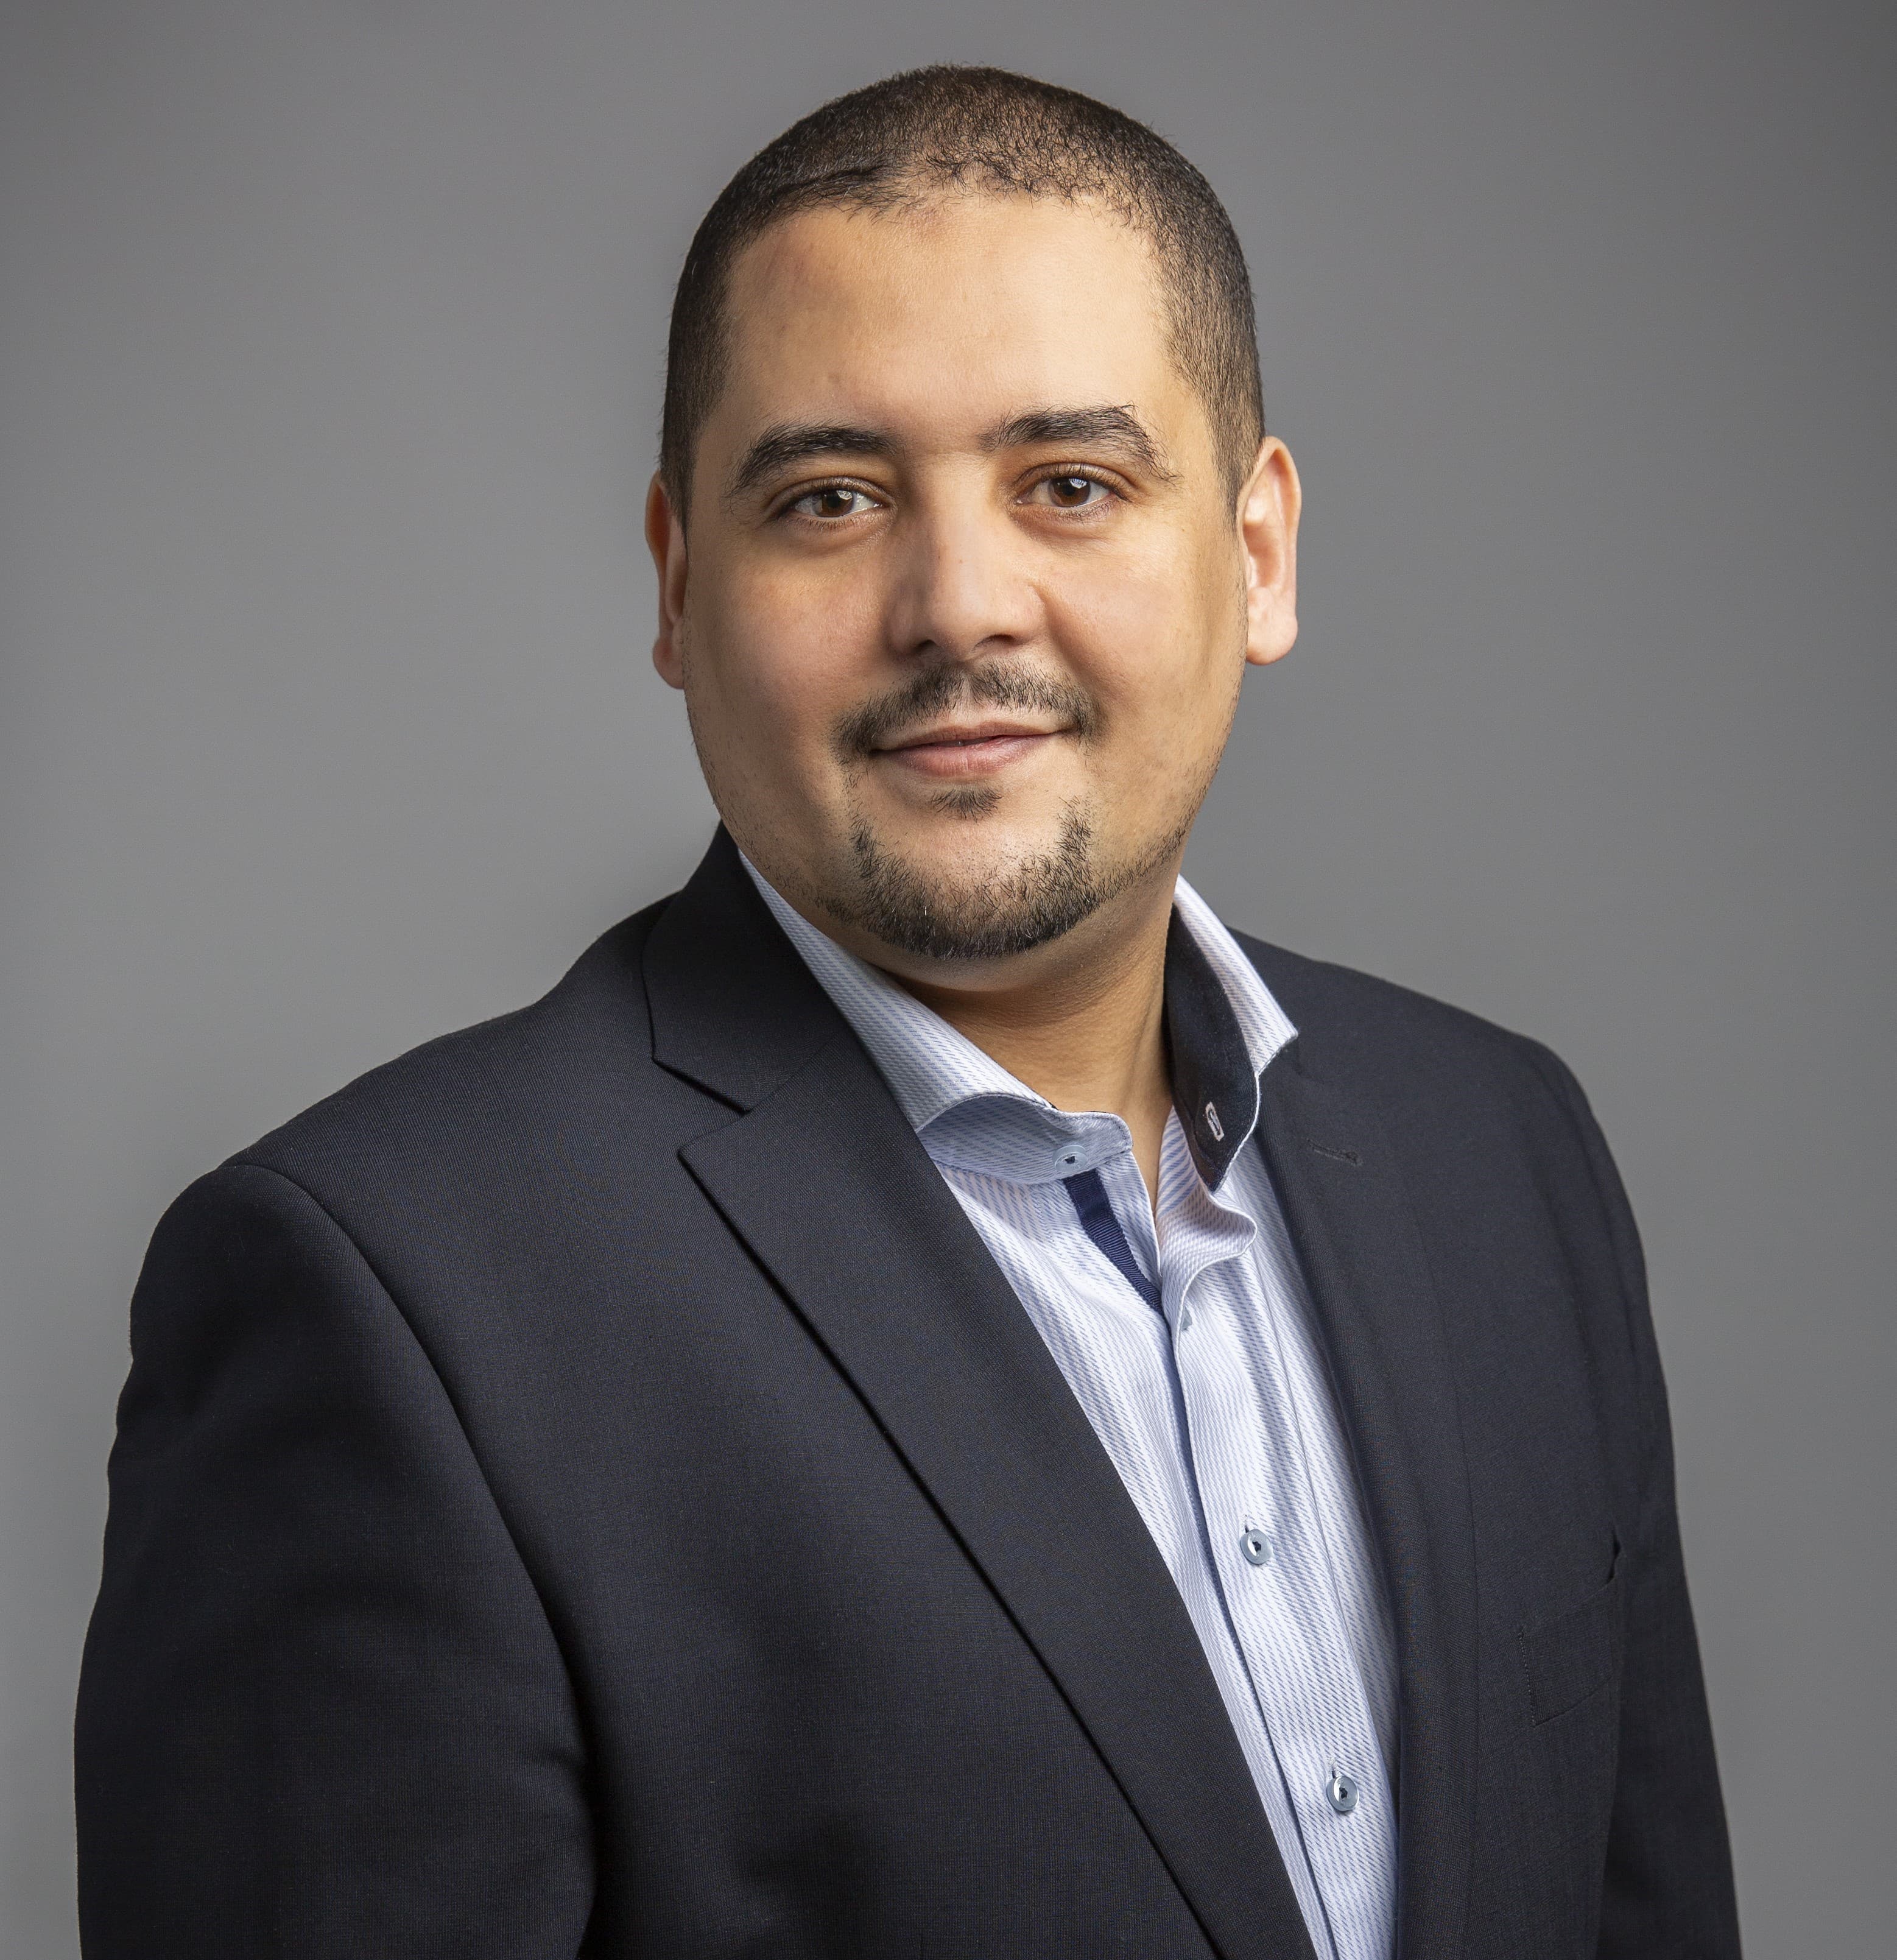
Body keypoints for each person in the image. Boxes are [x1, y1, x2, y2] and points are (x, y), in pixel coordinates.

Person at [74, 65, 1739, 1960]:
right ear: (678, 583)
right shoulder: (388, 1301)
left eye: (1070, 485)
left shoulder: (1501, 1153)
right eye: (832, 499)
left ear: (1258, 550)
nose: (959, 604)